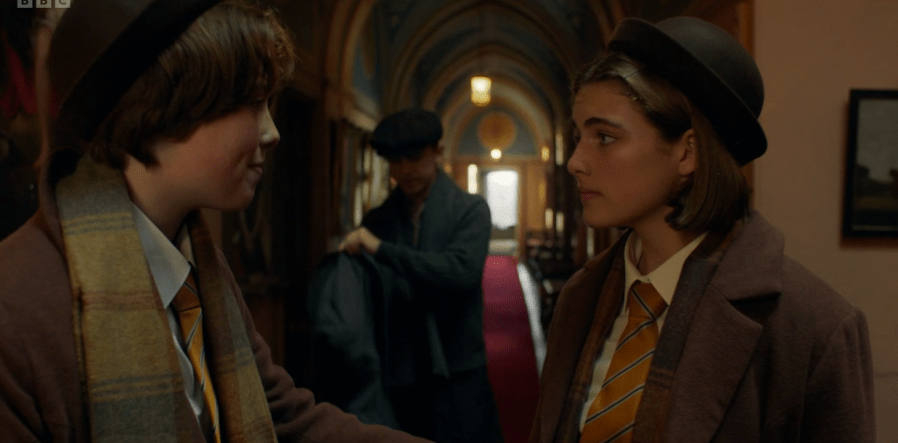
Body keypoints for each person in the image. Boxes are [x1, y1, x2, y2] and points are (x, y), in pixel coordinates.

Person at [0, 1, 431, 442]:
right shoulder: (16, 306)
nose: (272, 132)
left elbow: (282, 417)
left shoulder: (198, 265)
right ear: (162, 107)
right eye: (252, 103)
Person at [529, 17, 875, 443]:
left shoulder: (811, 327)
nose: (575, 162)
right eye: (578, 136)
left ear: (687, 153)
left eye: (604, 137)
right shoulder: (582, 296)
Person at [340, 108, 504, 443]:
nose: (405, 170)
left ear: (437, 152)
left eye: (414, 159)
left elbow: (460, 273)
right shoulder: (379, 220)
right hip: (400, 370)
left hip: (458, 365)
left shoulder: (470, 210)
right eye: (395, 162)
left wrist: (382, 250)